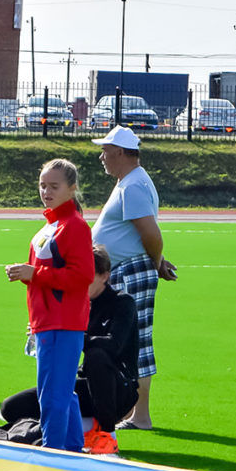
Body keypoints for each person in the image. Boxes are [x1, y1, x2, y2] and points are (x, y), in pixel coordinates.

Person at [1, 243, 136, 456]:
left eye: (88, 276)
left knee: (97, 356)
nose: (81, 282)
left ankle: (108, 434)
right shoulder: (78, 303)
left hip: (118, 387)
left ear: (105, 276)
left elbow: (113, 344)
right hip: (87, 385)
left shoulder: (122, 302)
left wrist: (69, 336)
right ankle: (82, 426)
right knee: (11, 408)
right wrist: (46, 331)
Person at [89, 125, 176, 431]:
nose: (102, 156)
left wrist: (157, 262)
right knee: (126, 339)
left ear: (121, 152)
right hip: (126, 267)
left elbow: (151, 233)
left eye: (106, 151)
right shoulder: (130, 182)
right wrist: (157, 262)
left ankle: (140, 415)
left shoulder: (133, 185)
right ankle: (132, 412)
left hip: (130, 269)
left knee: (133, 341)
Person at [4, 159, 94, 452]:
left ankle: (52, 456)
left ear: (72, 188)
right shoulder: (51, 225)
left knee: (53, 396)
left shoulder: (75, 226)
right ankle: (71, 452)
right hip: (47, 321)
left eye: (54, 186)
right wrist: (27, 277)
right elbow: (45, 276)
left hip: (63, 321)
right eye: (42, 185)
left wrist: (34, 274)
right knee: (62, 393)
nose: (46, 191)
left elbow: (82, 276)